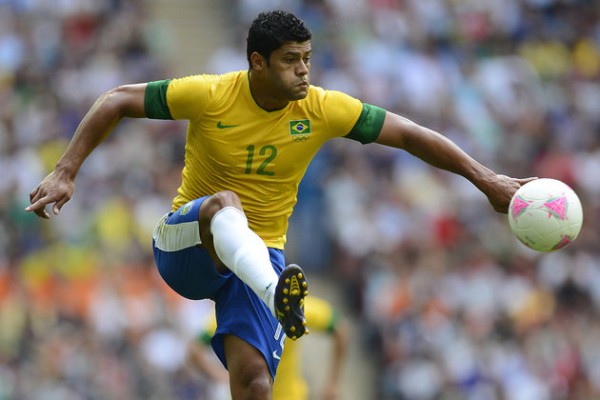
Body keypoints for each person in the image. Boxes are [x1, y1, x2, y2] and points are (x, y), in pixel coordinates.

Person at [25, 9, 536, 400]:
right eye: (291, 61)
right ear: (257, 62)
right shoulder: (209, 94)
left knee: (254, 387)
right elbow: (116, 99)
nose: (304, 72)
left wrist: (486, 180)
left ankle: (272, 292)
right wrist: (66, 170)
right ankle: (276, 294)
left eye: (307, 59)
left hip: (259, 256)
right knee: (223, 205)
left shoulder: (322, 108)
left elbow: (407, 134)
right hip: (187, 246)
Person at [188, 296, 348, 400]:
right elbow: (194, 350)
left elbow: (339, 328)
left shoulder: (291, 308)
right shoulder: (236, 314)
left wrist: (332, 383)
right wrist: (219, 375)